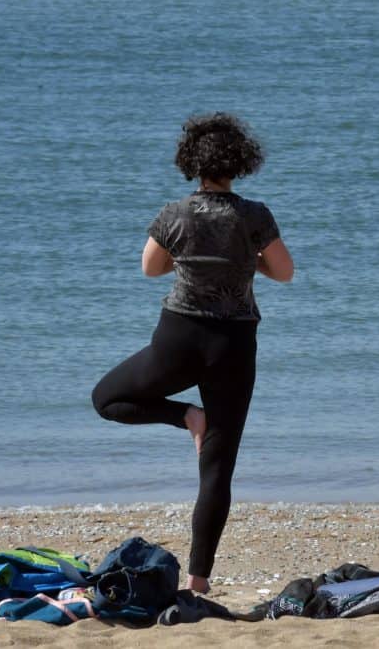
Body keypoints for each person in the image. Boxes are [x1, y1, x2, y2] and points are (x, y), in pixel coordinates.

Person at [91, 113, 294, 594]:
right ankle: (199, 581)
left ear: (191, 163)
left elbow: (151, 269)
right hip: (234, 344)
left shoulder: (175, 213)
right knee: (218, 468)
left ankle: (185, 416)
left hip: (178, 337)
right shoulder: (255, 215)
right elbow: (283, 272)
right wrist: (248, 262)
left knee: (106, 400)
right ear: (239, 163)